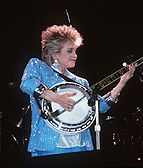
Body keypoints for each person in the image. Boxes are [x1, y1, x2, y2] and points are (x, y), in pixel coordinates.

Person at [20, 25, 135, 157]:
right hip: (50, 147)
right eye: (70, 51)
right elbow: (27, 83)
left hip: (81, 145)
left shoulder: (81, 82)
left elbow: (99, 108)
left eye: (75, 51)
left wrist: (122, 83)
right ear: (54, 54)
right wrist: (58, 98)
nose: (75, 55)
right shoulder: (38, 67)